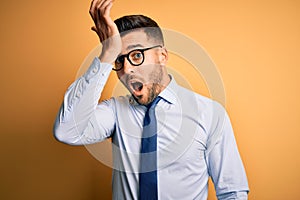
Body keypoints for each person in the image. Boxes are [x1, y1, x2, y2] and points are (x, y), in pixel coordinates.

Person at [53, 0, 249, 199]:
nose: (126, 69)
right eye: (119, 60)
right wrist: (106, 55)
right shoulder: (114, 112)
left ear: (162, 56)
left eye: (137, 55)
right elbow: (67, 131)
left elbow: (232, 191)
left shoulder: (210, 114)